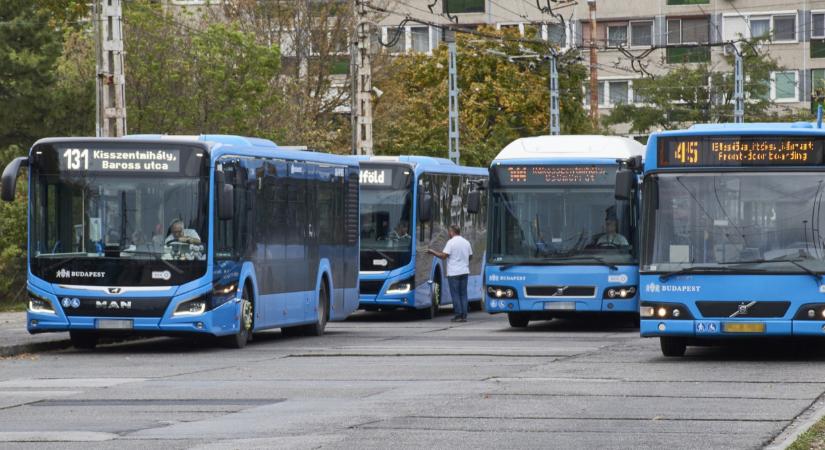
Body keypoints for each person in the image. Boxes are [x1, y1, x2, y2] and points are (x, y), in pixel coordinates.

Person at [427, 225, 473, 322]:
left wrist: (432, 252)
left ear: (452, 232)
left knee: (455, 294)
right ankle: (464, 315)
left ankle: (458, 315)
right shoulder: (466, 242)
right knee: (463, 294)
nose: (448, 233)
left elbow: (443, 256)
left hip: (454, 273)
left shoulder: (451, 242)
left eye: (449, 232)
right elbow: (470, 256)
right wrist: (464, 262)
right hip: (464, 271)